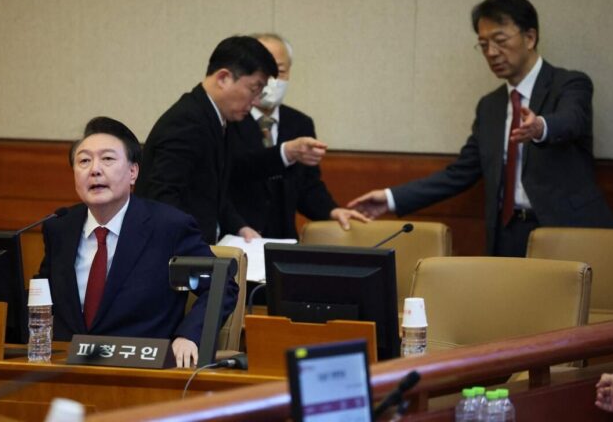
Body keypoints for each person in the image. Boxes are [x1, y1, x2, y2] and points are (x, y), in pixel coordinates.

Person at [348, 0, 613, 256]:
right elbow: (460, 173)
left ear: (530, 37)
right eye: (484, 44)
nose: (491, 52)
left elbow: (572, 120)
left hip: (565, 231)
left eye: (500, 41)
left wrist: (541, 127)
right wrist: (391, 198)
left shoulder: (570, 84)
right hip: (507, 235)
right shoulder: (490, 106)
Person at [37, 116, 238, 367]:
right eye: (84, 161)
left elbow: (222, 286)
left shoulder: (168, 226)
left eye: (107, 159)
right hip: (65, 366)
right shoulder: (60, 227)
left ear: (133, 172)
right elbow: (41, 295)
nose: (95, 170)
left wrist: (189, 336)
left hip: (140, 368)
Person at [135, 35, 327, 244]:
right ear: (223, 78)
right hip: (176, 254)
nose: (256, 101)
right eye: (254, 89)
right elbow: (162, 199)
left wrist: (239, 227)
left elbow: (212, 192)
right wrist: (195, 249)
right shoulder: (187, 121)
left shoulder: (216, 118)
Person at [228, 33, 368, 239]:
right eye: (263, 70)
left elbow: (307, 186)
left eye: (280, 71)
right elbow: (236, 169)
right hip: (236, 238)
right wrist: (285, 153)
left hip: (283, 240)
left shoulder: (300, 123)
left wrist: (332, 211)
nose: (271, 79)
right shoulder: (230, 118)